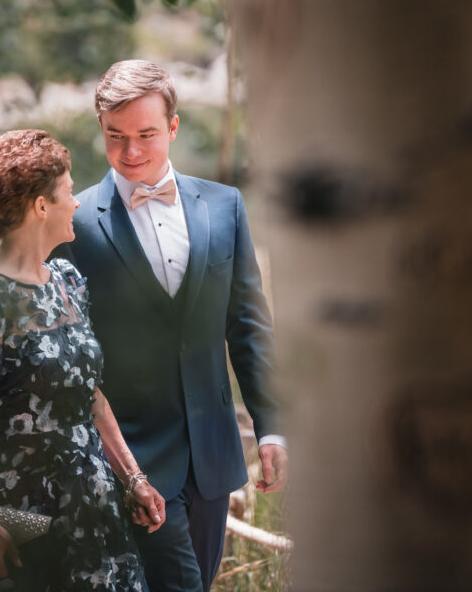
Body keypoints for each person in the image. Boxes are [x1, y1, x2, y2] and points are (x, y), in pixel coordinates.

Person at [53, 60, 286, 591]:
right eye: (115, 136)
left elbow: (248, 326)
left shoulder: (226, 206)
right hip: (129, 459)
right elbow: (69, 355)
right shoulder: (74, 224)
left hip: (214, 456)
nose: (131, 151)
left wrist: (271, 426)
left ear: (173, 127)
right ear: (100, 129)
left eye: (146, 135)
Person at [0, 129, 166, 591]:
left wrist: (133, 478)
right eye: (68, 191)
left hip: (90, 504)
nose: (76, 202)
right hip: (16, 514)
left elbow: (90, 395)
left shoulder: (67, 280)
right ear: (41, 206)